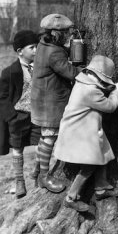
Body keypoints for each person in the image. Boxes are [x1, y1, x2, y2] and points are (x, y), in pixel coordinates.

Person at [54, 55, 118, 212]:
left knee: (103, 154)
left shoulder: (82, 83)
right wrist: (117, 92)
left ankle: (101, 187)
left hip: (82, 131)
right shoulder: (90, 91)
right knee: (89, 166)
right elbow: (110, 106)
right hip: (78, 135)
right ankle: (71, 198)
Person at [0, 29, 40, 199]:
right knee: (18, 147)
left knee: (43, 143)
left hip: (36, 115)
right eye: (32, 47)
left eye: (37, 46)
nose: (36, 50)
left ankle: (39, 174)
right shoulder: (10, 72)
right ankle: (19, 181)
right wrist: (11, 117)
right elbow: (0, 96)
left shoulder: (40, 69)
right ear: (20, 51)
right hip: (18, 116)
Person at [31, 14, 83, 193]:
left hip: (43, 99)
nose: (68, 36)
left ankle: (38, 171)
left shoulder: (44, 45)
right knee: (49, 137)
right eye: (66, 33)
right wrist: (87, 70)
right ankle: (45, 177)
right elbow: (70, 72)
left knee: (44, 136)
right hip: (50, 102)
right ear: (56, 34)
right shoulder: (54, 52)